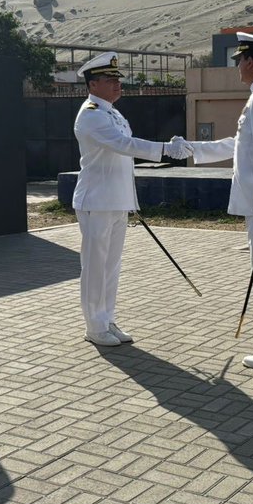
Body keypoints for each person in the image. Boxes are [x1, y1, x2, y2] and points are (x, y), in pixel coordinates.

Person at [177, 33, 253, 371]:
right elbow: (241, 145)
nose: (237, 68)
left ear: (249, 61)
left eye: (238, 61)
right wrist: (193, 149)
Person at [72, 51, 183, 346]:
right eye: (110, 79)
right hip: (96, 201)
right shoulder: (91, 114)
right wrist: (163, 150)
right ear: (93, 84)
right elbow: (124, 145)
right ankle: (94, 326)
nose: (117, 84)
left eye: (117, 79)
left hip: (117, 200)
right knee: (95, 266)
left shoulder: (113, 113)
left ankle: (107, 318)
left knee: (111, 265)